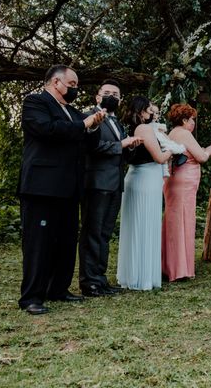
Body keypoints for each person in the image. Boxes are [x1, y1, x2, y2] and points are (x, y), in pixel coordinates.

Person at [18, 64, 105, 315]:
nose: (75, 89)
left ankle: (59, 289)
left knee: (66, 241)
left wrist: (94, 126)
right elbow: (47, 130)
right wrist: (84, 124)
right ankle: (32, 296)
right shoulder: (35, 103)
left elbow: (89, 143)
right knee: (39, 243)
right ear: (56, 82)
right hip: (42, 186)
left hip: (70, 187)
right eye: (72, 84)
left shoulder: (74, 112)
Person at [79, 79, 142, 297]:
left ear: (120, 99)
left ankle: (101, 278)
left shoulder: (118, 122)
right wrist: (120, 145)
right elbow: (90, 147)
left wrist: (130, 146)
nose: (111, 97)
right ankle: (89, 283)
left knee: (104, 234)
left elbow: (121, 153)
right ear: (97, 96)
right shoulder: (89, 117)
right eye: (107, 93)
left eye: (115, 94)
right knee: (92, 233)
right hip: (96, 184)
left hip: (115, 183)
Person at [116, 96, 172, 290]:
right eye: (149, 110)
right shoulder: (144, 128)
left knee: (140, 226)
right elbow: (159, 157)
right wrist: (174, 149)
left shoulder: (136, 128)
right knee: (144, 225)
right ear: (141, 112)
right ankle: (142, 277)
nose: (152, 114)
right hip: (145, 178)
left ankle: (136, 274)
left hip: (141, 176)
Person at [162, 103, 211, 281]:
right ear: (185, 119)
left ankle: (168, 265)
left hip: (174, 182)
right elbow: (201, 157)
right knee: (183, 221)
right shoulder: (184, 133)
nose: (193, 123)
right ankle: (180, 269)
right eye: (192, 119)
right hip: (184, 184)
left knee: (173, 221)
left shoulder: (172, 133)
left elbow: (189, 153)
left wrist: (203, 152)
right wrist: (210, 149)